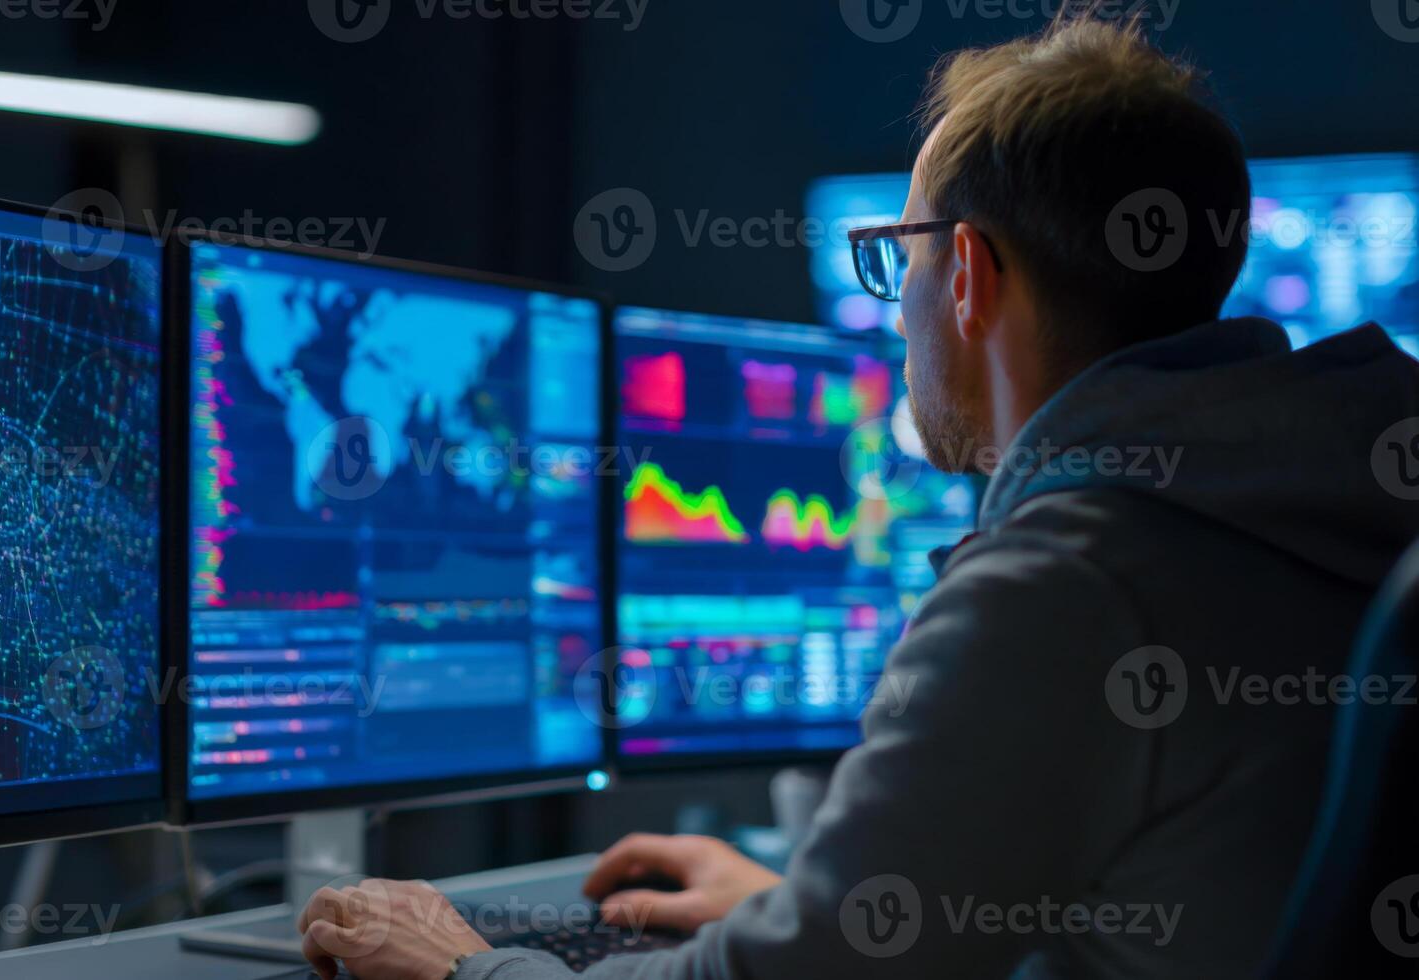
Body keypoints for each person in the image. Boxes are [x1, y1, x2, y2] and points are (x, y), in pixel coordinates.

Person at [297, 11, 1419, 979]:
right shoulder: (1332, 501)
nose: (896, 309)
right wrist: (791, 907)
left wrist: (467, 963)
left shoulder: (1071, 578)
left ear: (970, 273)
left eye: (899, 256)